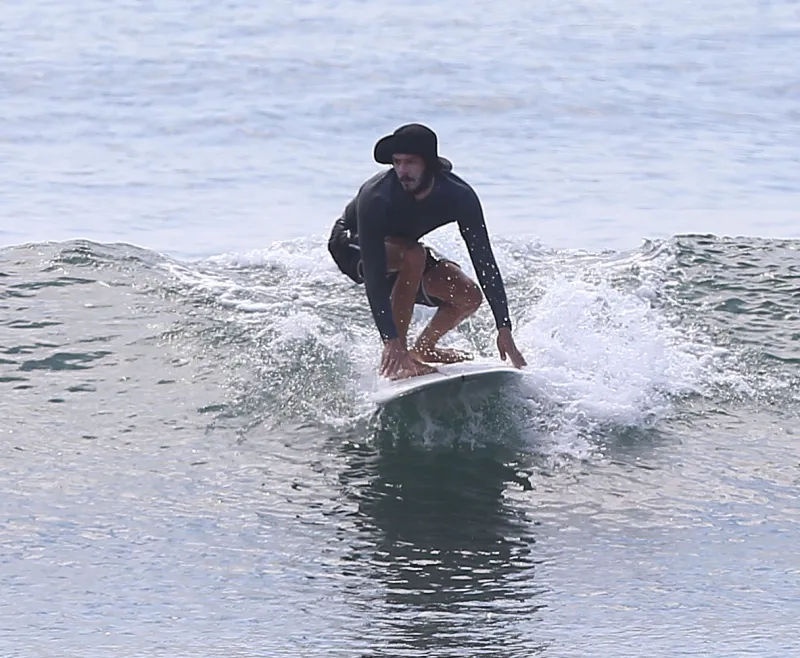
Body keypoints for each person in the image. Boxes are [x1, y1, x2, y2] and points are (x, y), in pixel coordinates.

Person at [327, 123, 526, 380]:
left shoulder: (459, 196)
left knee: (467, 296)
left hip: (402, 247)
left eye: (410, 162)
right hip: (351, 243)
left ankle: (424, 348)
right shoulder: (376, 196)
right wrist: (390, 339)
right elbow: (375, 273)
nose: (402, 171)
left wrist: (504, 327)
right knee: (414, 255)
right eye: (397, 162)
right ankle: (399, 359)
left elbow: (484, 260)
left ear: (428, 164)